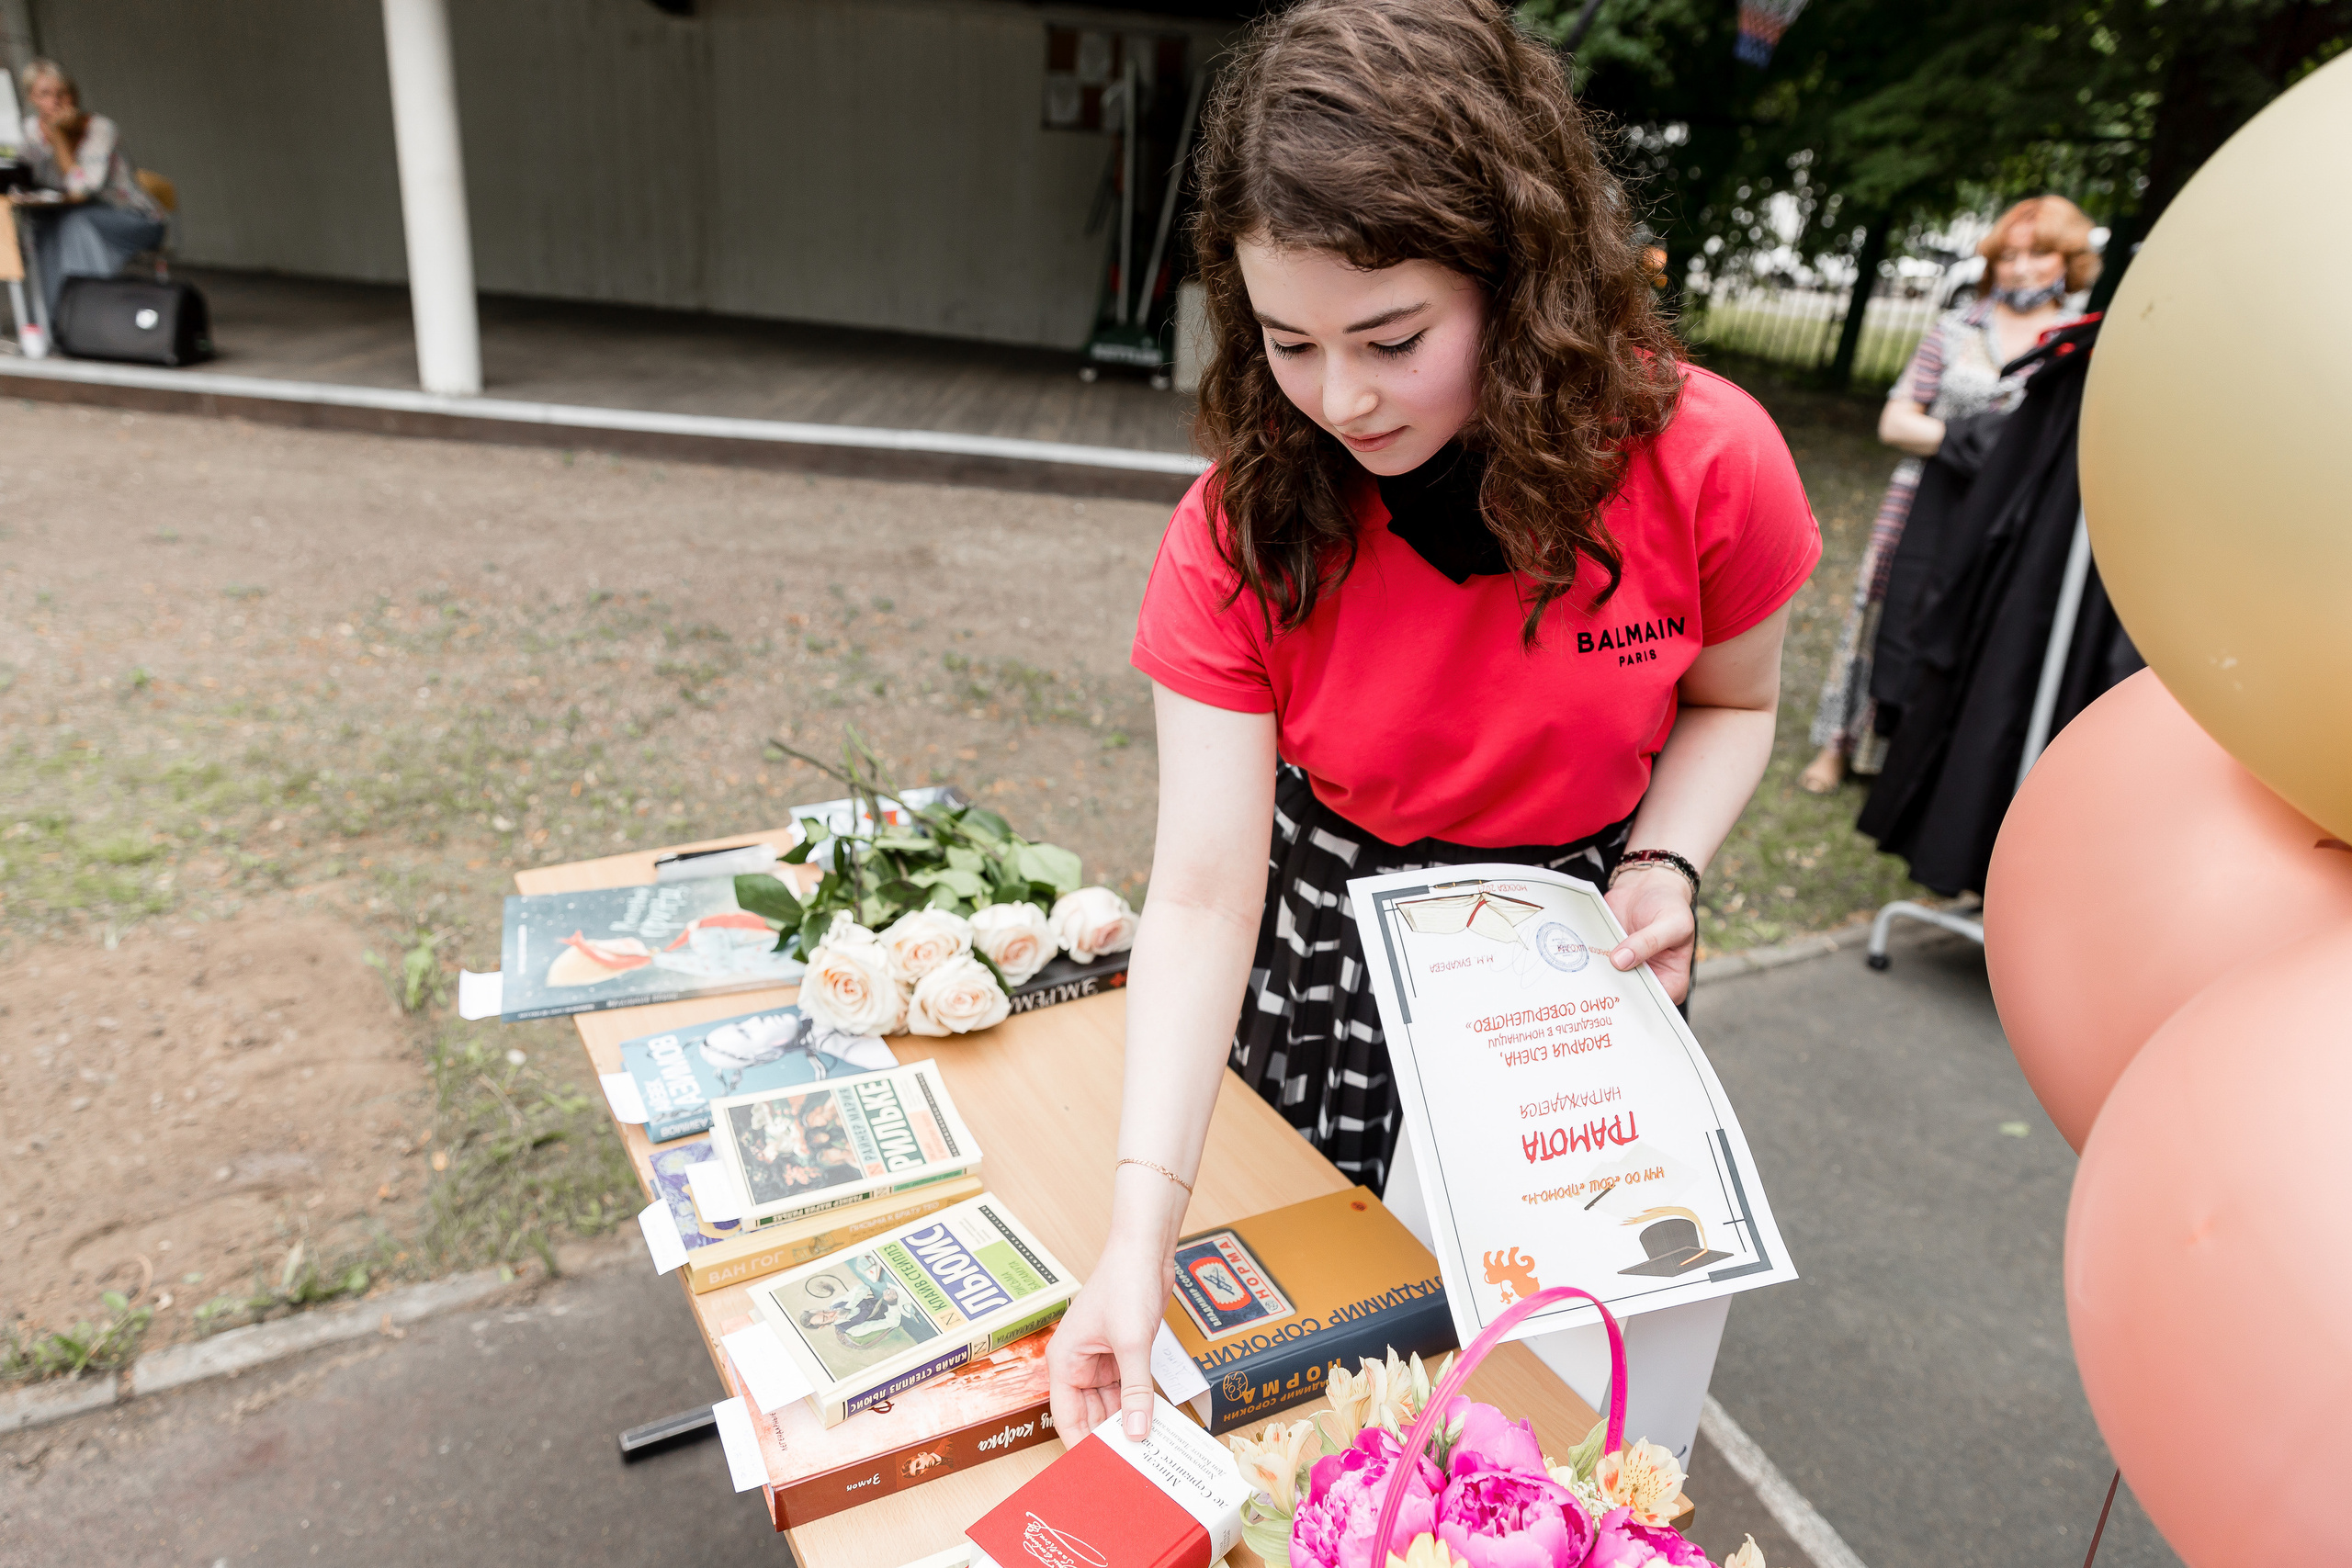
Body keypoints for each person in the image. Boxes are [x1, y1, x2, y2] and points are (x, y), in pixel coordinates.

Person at [1046, 0, 1820, 1448]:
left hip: (1579, 939)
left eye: (1394, 337)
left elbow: (1734, 700)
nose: (1342, 399)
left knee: (1547, 1389)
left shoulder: (1707, 460)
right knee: (1331, 1379)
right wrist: (1136, 1237)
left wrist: (1668, 863)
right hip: (1332, 940)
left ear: (1517, 280)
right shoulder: (1245, 526)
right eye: (1287, 341)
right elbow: (1211, 890)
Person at [1799, 196, 2101, 794]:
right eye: (2008, 255)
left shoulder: (2077, 341)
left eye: (2038, 254)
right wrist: (1980, 446)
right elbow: (1896, 422)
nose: (2020, 268)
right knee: (1881, 607)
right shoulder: (1955, 329)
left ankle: (1918, 758)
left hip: (2010, 514)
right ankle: (1839, 744)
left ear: (2069, 261)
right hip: (1922, 498)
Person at [10, 58, 164, 323]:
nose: (56, 102)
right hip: (71, 216)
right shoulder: (32, 134)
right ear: (32, 99)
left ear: (74, 95)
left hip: (133, 218)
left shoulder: (99, 129)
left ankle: (89, 318)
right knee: (41, 225)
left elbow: (81, 190)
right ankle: (53, 320)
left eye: (63, 93)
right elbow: (21, 174)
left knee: (74, 223)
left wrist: (59, 138)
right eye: (45, 94)